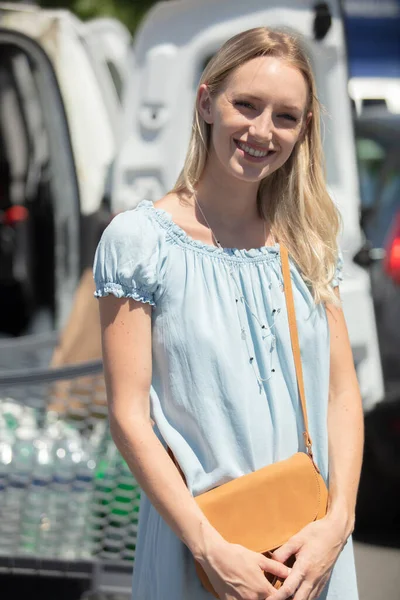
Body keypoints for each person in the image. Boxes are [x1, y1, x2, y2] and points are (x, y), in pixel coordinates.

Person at [93, 27, 363, 600]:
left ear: (306, 128)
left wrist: (338, 524)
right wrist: (210, 548)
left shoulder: (310, 240)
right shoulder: (142, 240)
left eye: (286, 116)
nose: (262, 131)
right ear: (205, 102)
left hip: (312, 550)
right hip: (204, 554)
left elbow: (342, 394)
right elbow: (128, 415)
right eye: (246, 104)